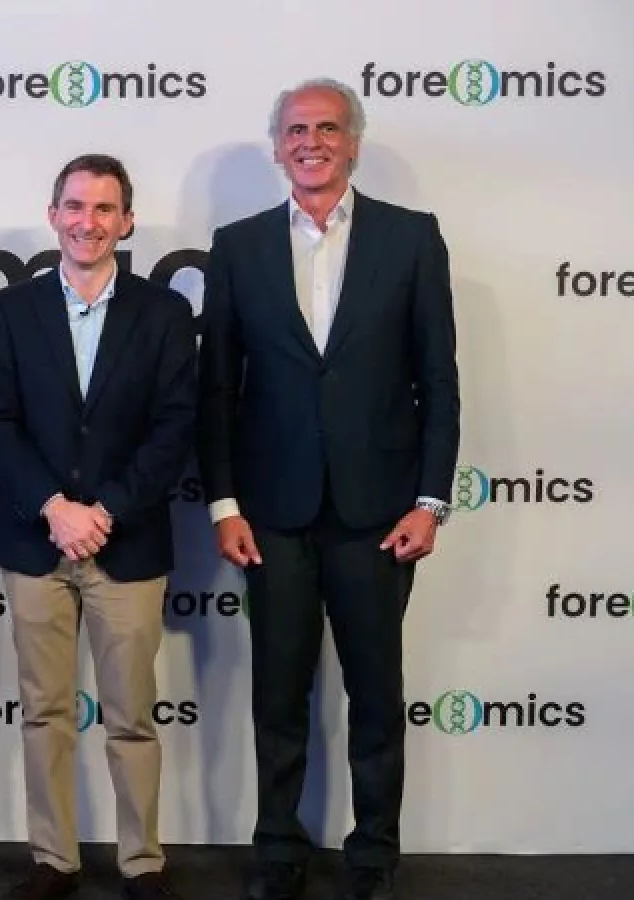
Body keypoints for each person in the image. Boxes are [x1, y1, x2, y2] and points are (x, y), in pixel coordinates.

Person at [196, 78, 459, 900]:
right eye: (297, 130)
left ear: (354, 143)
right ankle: (278, 848)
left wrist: (431, 500)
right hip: (270, 514)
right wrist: (224, 503)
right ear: (278, 148)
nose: (311, 142)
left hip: (379, 512)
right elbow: (217, 387)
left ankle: (374, 854)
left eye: (328, 128)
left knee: (376, 695)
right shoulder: (238, 246)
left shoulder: (411, 238)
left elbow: (438, 381)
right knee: (278, 693)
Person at [0, 154, 197, 900]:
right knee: (44, 711)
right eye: (75, 206)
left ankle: (142, 861)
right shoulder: (11, 310)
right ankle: (54, 859)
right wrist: (53, 506)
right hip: (34, 541)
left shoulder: (164, 314)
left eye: (104, 209)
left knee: (132, 715)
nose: (88, 222)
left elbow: (174, 427)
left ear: (126, 222)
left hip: (126, 544)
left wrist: (104, 511)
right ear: (53, 216)